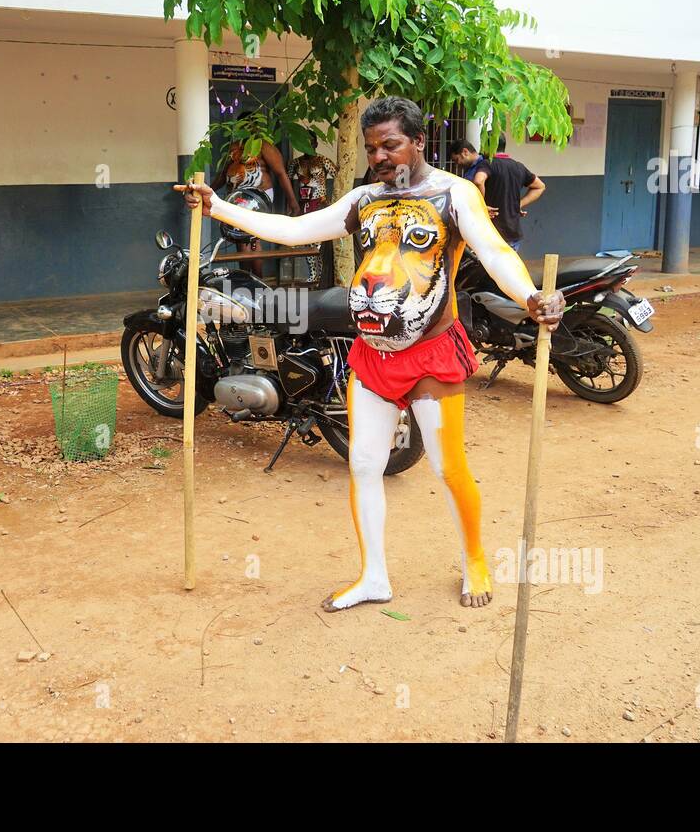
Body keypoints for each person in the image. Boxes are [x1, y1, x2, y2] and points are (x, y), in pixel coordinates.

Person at [177, 96, 564, 613]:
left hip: (430, 352)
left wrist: (530, 297)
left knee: (448, 468)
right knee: (363, 465)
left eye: (391, 145)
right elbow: (297, 230)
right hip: (373, 355)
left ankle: (474, 558)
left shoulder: (455, 195)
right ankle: (373, 576)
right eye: (371, 148)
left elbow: (494, 252)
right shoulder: (363, 200)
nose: (379, 157)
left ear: (419, 142)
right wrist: (217, 207)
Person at [213, 139, 299, 277]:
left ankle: (253, 278)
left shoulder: (263, 146)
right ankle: (249, 278)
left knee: (250, 238)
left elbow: (280, 173)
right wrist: (210, 190)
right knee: (241, 239)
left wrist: (293, 202)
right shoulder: (235, 146)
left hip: (258, 196)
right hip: (238, 196)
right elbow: (223, 174)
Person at [288, 137, 338, 285]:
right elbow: (287, 178)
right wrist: (291, 204)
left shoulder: (323, 160)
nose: (307, 145)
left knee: (320, 242)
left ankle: (323, 275)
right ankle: (313, 275)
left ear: (315, 144)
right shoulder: (296, 163)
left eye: (310, 142)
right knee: (308, 241)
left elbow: (338, 176)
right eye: (304, 141)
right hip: (304, 204)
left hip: (320, 203)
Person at [483, 136, 545, 252]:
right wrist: (519, 204)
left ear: (489, 146)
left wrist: (481, 206)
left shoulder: (487, 164)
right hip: (512, 232)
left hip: (491, 232)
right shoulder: (518, 166)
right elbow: (540, 186)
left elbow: (478, 180)